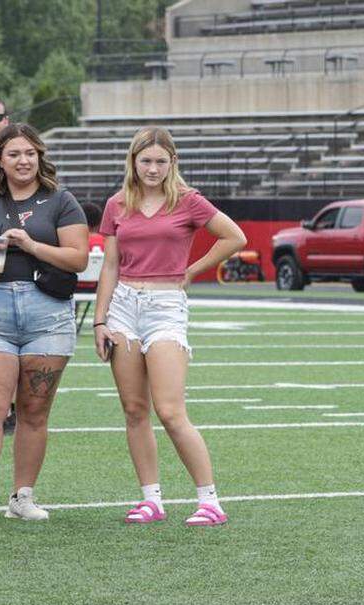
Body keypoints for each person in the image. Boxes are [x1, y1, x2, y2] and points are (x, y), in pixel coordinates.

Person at [93, 127, 246, 526]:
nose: (153, 168)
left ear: (172, 162)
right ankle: (151, 499)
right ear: (133, 162)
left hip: (165, 307)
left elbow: (234, 237)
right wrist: (100, 319)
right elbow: (109, 265)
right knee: (134, 409)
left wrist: (191, 270)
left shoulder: (189, 201)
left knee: (170, 410)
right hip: (123, 306)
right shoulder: (117, 204)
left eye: (161, 161)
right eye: (146, 160)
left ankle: (209, 501)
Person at [0, 123, 90, 520]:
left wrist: (31, 245)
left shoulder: (60, 200)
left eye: (30, 153)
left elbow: (79, 258)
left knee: (35, 411)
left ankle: (22, 498)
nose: (23, 160)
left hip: (48, 312)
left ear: (40, 156)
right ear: (0, 159)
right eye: (15, 153)